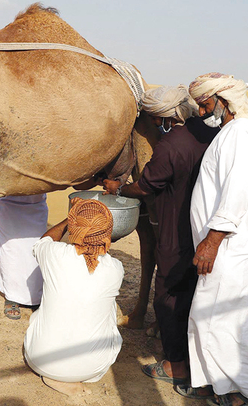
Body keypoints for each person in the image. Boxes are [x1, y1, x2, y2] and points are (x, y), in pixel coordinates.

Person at [101, 85, 218, 396]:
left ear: (165, 118)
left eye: (154, 120)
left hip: (175, 225)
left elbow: (146, 186)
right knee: (192, 290)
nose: (154, 126)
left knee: (167, 292)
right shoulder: (206, 134)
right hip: (202, 226)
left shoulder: (170, 146)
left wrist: (118, 189)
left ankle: (175, 365)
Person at [186, 72, 248, 406]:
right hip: (231, 245)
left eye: (205, 104)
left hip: (231, 246)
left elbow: (236, 193)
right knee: (223, 320)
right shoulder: (233, 133)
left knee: (220, 321)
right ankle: (225, 389)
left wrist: (213, 240)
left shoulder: (240, 133)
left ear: (224, 101)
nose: (201, 112)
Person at [23, 198, 124, 396]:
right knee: (109, 307)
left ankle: (58, 374)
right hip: (93, 368)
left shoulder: (55, 253)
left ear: (74, 228)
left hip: (40, 361)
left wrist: (71, 217)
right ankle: (72, 373)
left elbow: (45, 239)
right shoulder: (115, 268)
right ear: (108, 233)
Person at [0, 195, 48, 320]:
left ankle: (37, 296)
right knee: (10, 249)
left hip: (35, 200)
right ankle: (12, 296)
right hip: (5, 199)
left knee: (35, 250)